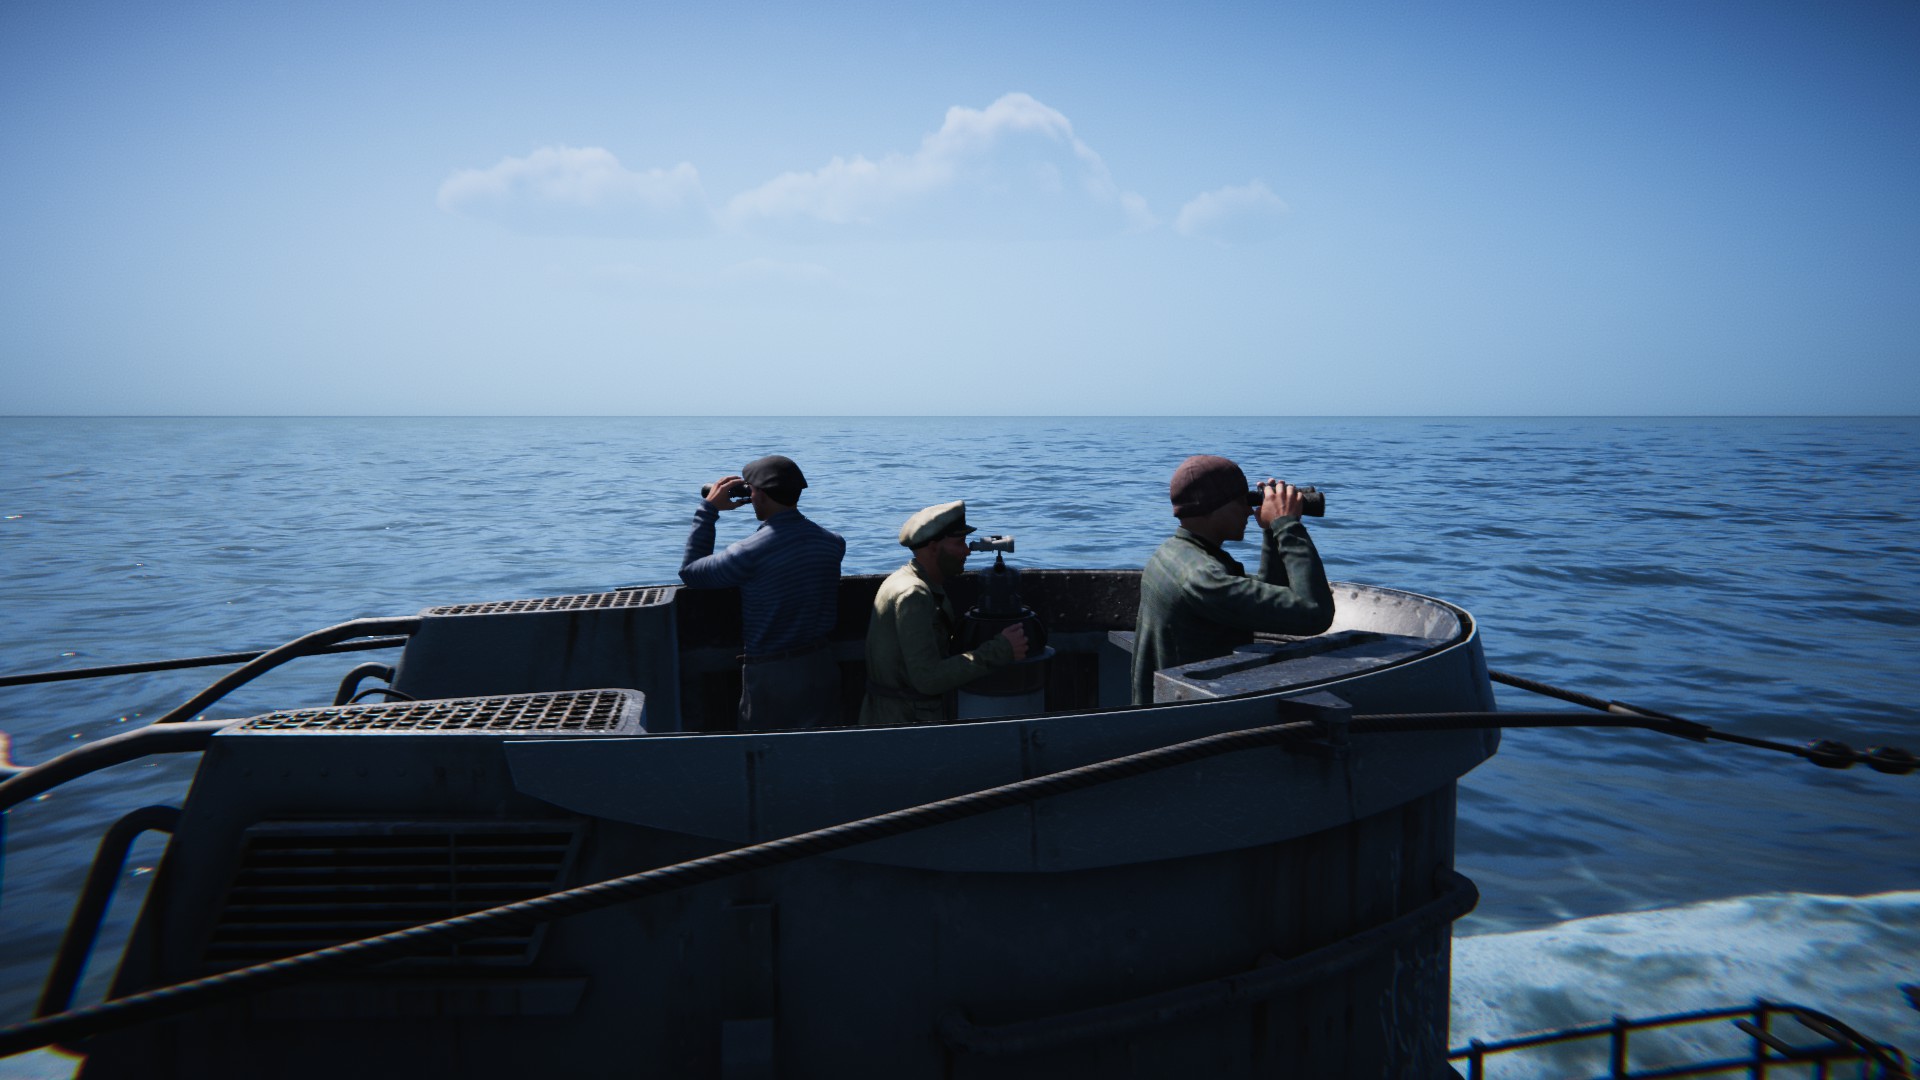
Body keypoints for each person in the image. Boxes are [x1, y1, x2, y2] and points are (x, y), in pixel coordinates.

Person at [1131, 455, 1335, 705]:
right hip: (1190, 717)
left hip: (1170, 708)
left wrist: (1271, 531)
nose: (1249, 511)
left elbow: (1270, 597)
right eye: (1241, 502)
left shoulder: (1174, 553)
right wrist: (1287, 525)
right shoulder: (1204, 579)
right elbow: (1315, 613)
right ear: (1213, 507)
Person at [681, 454, 847, 730]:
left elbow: (691, 573)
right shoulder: (833, 543)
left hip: (772, 675)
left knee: (764, 749)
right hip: (820, 666)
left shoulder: (748, 553)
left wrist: (708, 510)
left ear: (758, 495)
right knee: (821, 747)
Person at [860, 501, 1029, 726]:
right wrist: (1001, 650)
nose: (967, 551)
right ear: (933, 548)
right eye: (959, 543)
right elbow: (928, 679)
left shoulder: (912, 581)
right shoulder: (913, 595)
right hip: (903, 724)